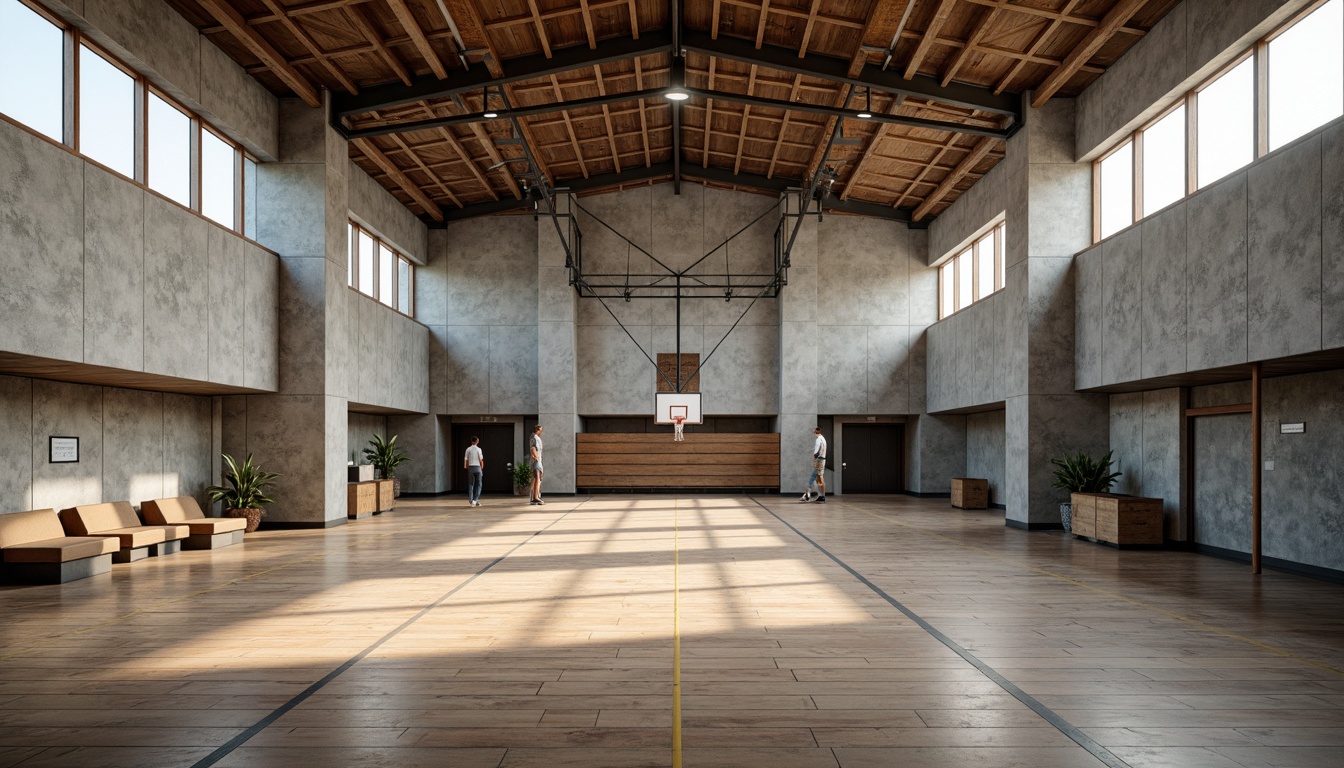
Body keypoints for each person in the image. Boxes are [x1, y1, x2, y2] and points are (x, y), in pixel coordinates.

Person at [799, 427, 827, 503]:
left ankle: (814, 495)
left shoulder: (819, 439)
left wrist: (815, 456)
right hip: (821, 460)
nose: (813, 431)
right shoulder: (823, 439)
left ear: (818, 431)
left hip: (819, 460)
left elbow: (818, 449)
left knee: (818, 478)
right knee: (816, 477)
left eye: (815, 430)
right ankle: (812, 495)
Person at [463, 436, 484, 507]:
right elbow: (480, 459)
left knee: (470, 484)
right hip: (477, 467)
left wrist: (466, 467)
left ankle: (471, 500)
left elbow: (466, 459)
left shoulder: (468, 449)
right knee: (479, 484)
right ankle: (475, 500)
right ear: (477, 441)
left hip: (471, 468)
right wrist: (482, 468)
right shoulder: (479, 449)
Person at [528, 425, 544, 505]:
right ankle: (535, 497)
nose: (541, 432)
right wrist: (536, 458)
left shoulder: (535, 437)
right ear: (537, 430)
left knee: (537, 478)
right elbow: (533, 448)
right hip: (537, 461)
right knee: (537, 478)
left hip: (538, 460)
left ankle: (535, 497)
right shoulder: (534, 437)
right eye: (540, 430)